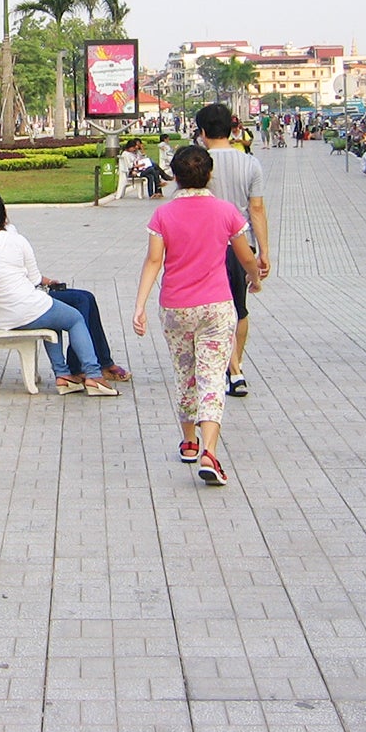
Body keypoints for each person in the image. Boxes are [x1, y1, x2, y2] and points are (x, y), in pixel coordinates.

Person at [132, 145, 263, 487]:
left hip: (175, 306)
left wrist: (140, 305)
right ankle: (209, 451)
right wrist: (255, 277)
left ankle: (188, 441)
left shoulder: (162, 216)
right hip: (216, 307)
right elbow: (246, 256)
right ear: (210, 174)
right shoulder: (225, 212)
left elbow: (153, 261)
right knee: (211, 376)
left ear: (174, 176)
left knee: (185, 373)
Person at [0, 190, 116, 396]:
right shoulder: (17, 240)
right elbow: (34, 280)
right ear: (3, 215)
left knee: (52, 319)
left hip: (1, 317)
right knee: (74, 319)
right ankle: (93, 375)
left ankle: (64, 376)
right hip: (26, 309)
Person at [0, 189, 132, 382]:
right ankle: (81, 367)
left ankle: (103, 361)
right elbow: (32, 278)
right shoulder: (10, 236)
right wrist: (43, 281)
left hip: (18, 299)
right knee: (81, 302)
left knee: (87, 297)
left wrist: (47, 281)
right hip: (26, 301)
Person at [191, 103, 270, 397]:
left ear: (201, 132)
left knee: (213, 309)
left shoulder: (197, 162)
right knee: (238, 309)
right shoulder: (250, 164)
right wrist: (263, 251)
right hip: (241, 245)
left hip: (205, 247)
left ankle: (231, 369)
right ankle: (235, 369)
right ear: (233, 128)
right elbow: (257, 208)